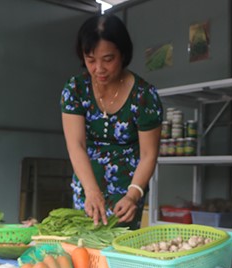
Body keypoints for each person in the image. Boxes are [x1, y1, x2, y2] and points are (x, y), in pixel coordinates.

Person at [60, 13, 163, 230]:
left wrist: (133, 195)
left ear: (123, 54)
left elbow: (148, 154)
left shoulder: (144, 96)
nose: (99, 69)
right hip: (87, 186)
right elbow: (76, 145)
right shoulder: (75, 90)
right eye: (90, 60)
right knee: (84, 245)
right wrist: (91, 190)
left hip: (128, 191)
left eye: (108, 59)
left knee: (120, 249)